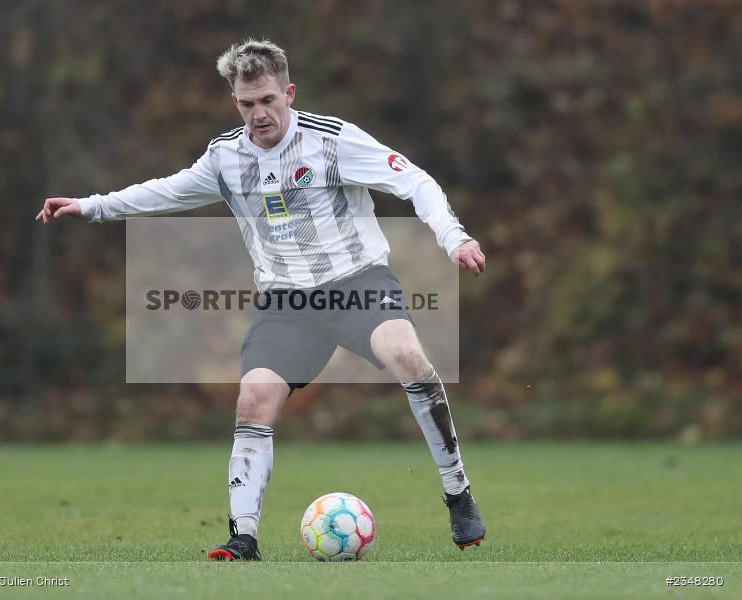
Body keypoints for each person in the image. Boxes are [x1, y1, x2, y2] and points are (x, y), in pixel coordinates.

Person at [37, 39, 487, 560]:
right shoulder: (226, 157)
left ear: (289, 93)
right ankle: (243, 538)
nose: (259, 113)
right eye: (247, 104)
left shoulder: (333, 140)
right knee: (252, 400)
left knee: (409, 356)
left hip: (357, 283)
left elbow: (414, 180)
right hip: (287, 306)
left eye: (268, 100)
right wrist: (90, 206)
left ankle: (457, 492)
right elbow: (166, 190)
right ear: (235, 102)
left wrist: (454, 237)